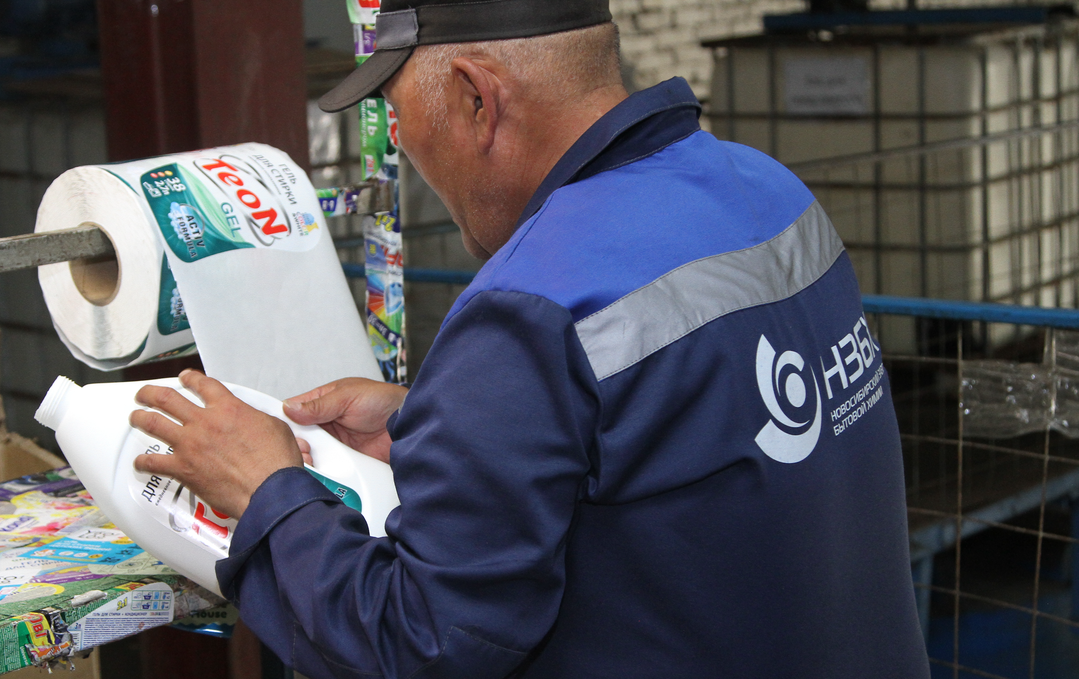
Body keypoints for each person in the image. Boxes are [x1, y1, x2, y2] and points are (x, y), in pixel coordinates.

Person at [130, 0, 932, 676]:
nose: (411, 158)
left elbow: (420, 643)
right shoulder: (769, 192)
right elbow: (683, 431)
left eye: (406, 122)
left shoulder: (532, 303)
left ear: (479, 100)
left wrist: (268, 489)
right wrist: (436, 418)